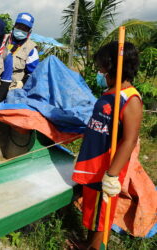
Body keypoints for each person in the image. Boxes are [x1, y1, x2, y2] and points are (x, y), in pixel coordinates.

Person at [72, 41, 142, 249]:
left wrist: (112, 175)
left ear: (113, 66)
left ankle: (93, 247)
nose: (99, 71)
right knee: (93, 211)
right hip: (93, 163)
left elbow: (129, 140)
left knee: (101, 213)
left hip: (106, 167)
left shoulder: (130, 99)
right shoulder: (110, 93)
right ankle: (88, 242)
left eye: (102, 67)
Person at [7, 12, 39, 89]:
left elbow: (33, 72)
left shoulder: (31, 49)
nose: (21, 30)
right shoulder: (2, 39)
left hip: (13, 86)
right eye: (19, 27)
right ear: (14, 26)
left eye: (24, 29)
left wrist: (22, 82)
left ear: (29, 31)